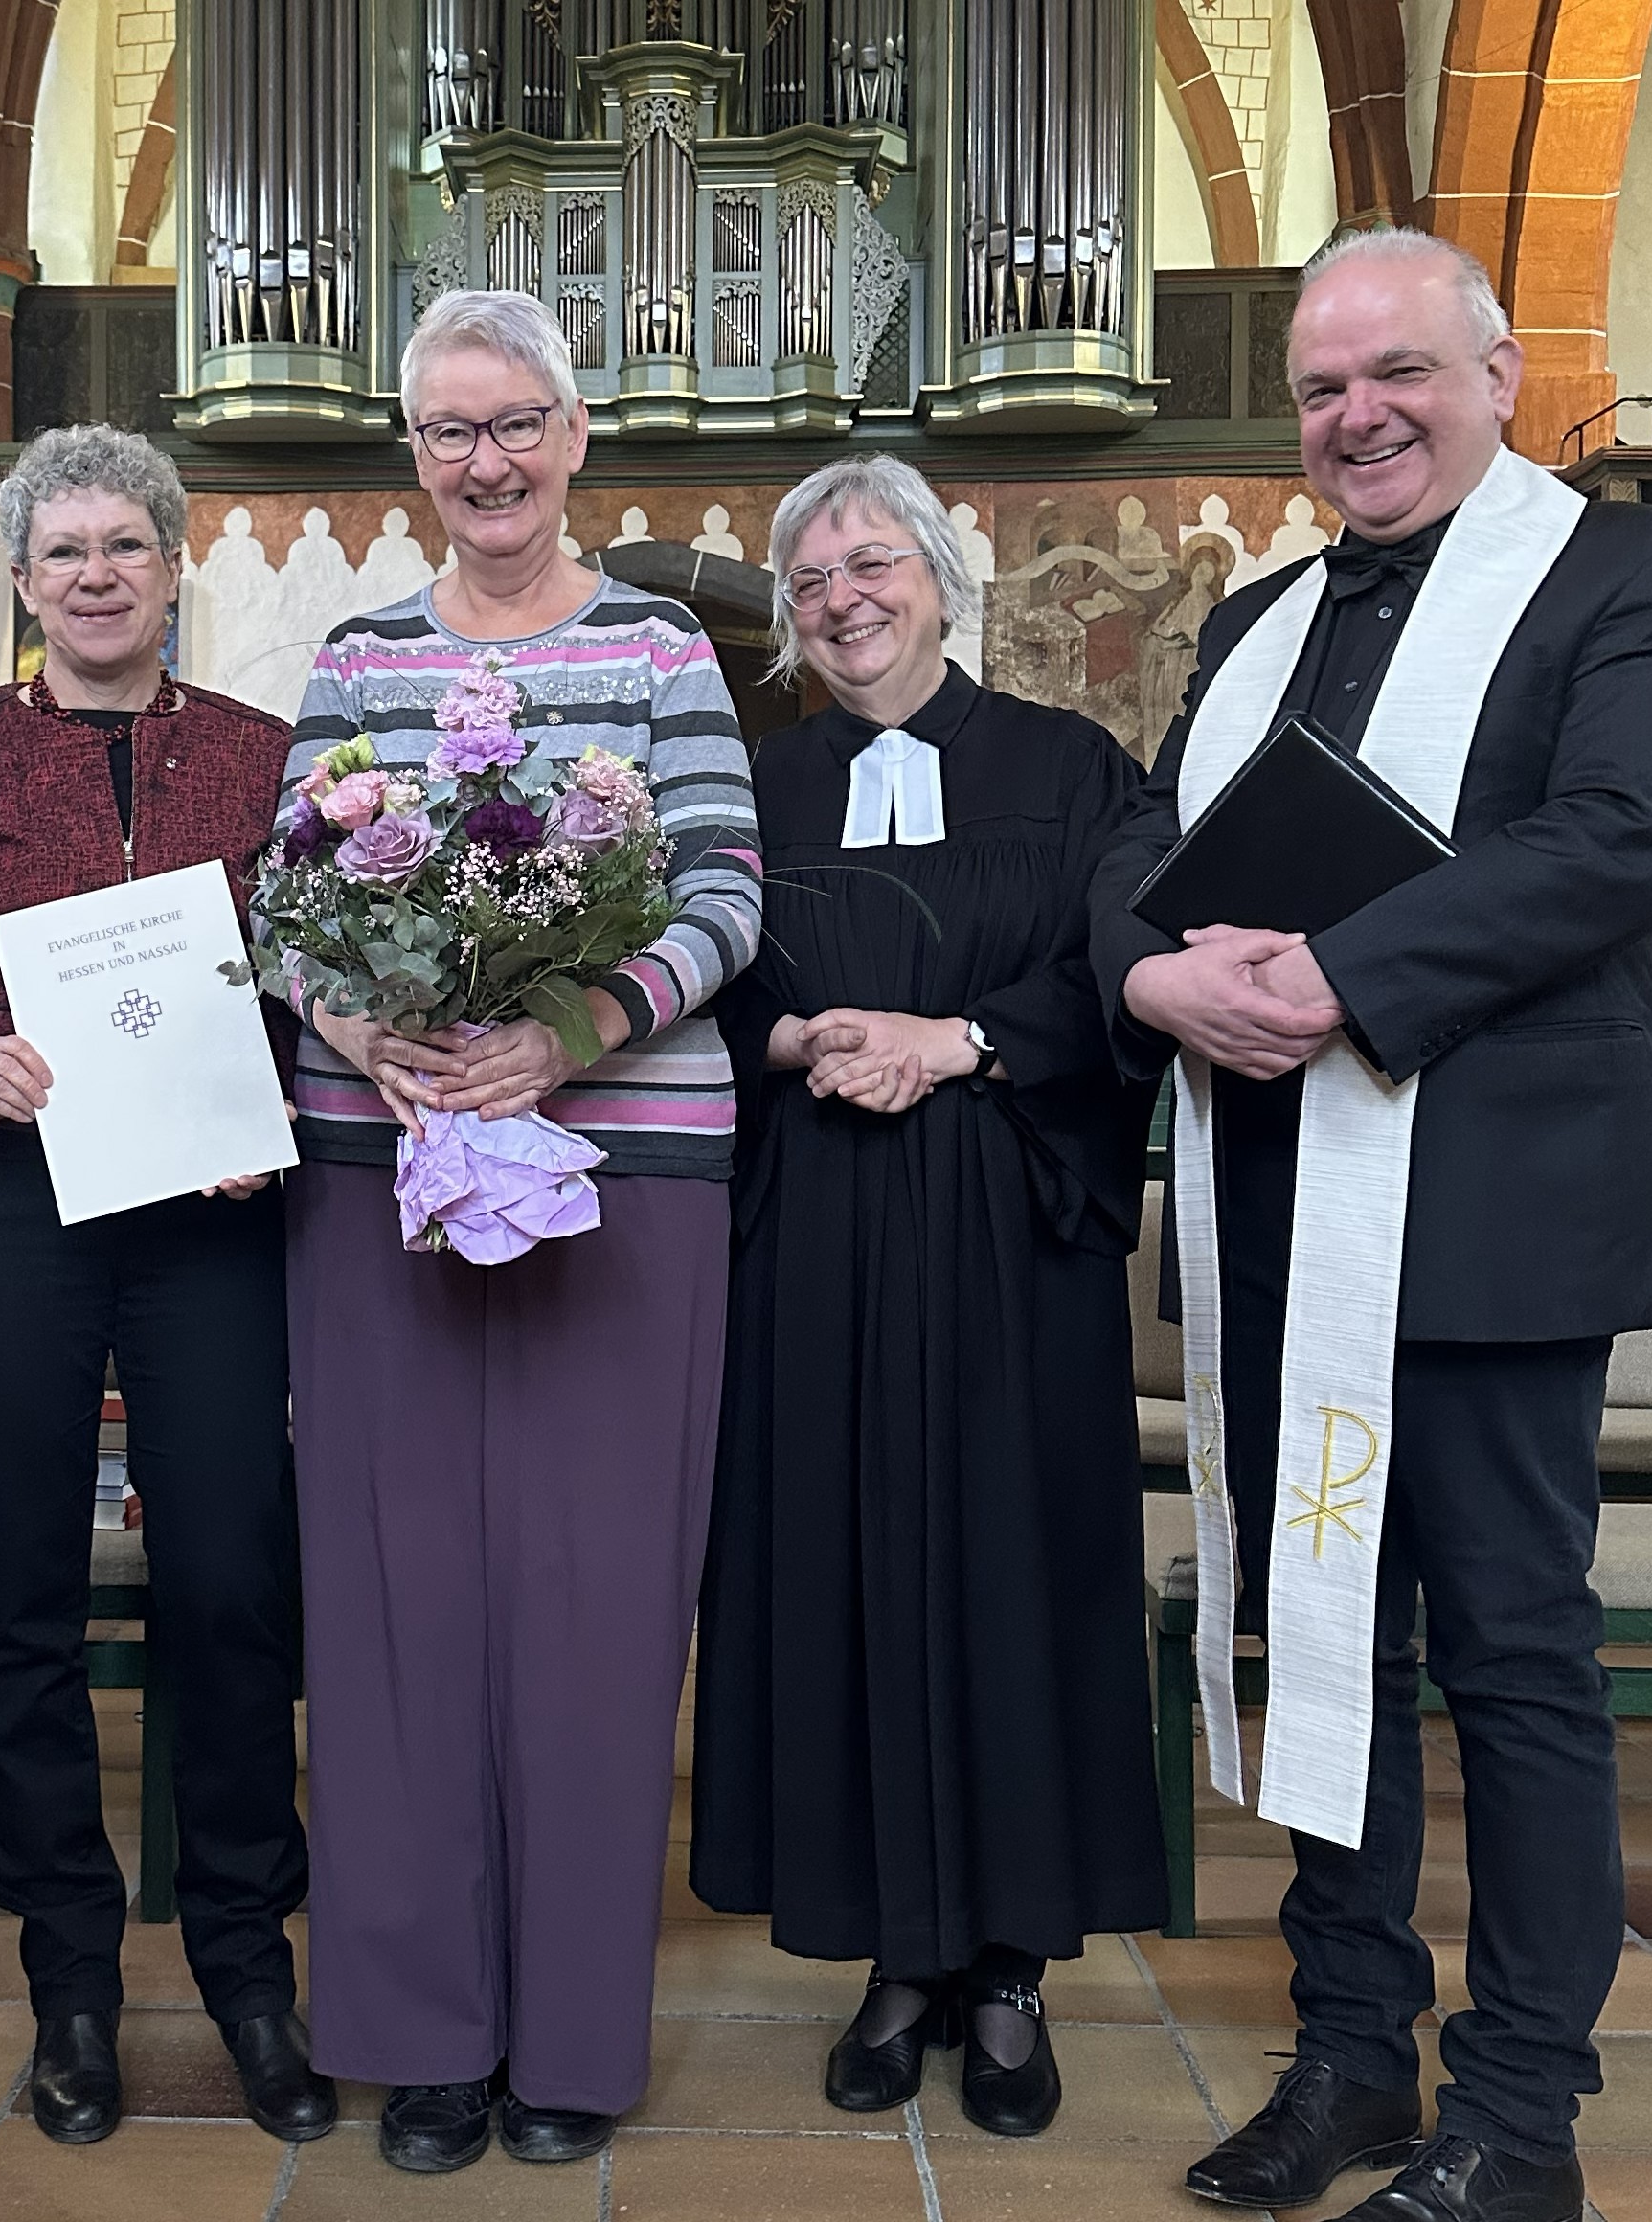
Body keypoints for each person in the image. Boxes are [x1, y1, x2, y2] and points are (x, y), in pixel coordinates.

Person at [1086, 228, 1652, 2222]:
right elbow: (1151, 840)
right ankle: (1354, 2049)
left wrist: (1328, 975)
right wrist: (1145, 972)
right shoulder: (1260, 612)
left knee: (1519, 1661)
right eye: (1322, 387)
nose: (1358, 414)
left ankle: (1519, 2111)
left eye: (1400, 373)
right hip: (1287, 1203)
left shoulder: (1631, 574)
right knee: (1326, 1646)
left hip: (1498, 1214)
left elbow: (1621, 835)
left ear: (1499, 372)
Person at [276, 288, 760, 2174]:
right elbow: (288, 893)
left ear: (575, 439)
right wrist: (350, 1018)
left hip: (623, 1181)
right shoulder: (357, 650)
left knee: (592, 1614)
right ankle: (423, 2038)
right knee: (393, 1614)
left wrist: (571, 1026)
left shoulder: (658, 646)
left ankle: (567, 2031)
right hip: (375, 1169)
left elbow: (726, 885)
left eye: (516, 423)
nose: (483, 459)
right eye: (448, 429)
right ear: (415, 456)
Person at [0, 425, 327, 2147]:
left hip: (210, 1220)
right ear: (22, 578)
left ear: (174, 560)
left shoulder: (270, 758)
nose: (97, 576)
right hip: (9, 1220)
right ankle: (68, 1973)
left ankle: (244, 1964)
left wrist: (260, 1116)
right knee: (22, 1599)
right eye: (63, 553)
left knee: (227, 1582)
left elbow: (313, 988)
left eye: (126, 545)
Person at [690, 454, 1168, 2136]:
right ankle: (896, 1954)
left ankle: (1014, 1966)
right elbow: (694, 992)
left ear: (944, 577)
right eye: (810, 578)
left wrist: (960, 1042)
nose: (842, 599)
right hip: (816, 1235)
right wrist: (796, 1039)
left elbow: (1124, 972)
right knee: (845, 1572)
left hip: (1006, 1226)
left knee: (1010, 1571)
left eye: (871, 563)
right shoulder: (752, 785)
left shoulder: (1072, 767)